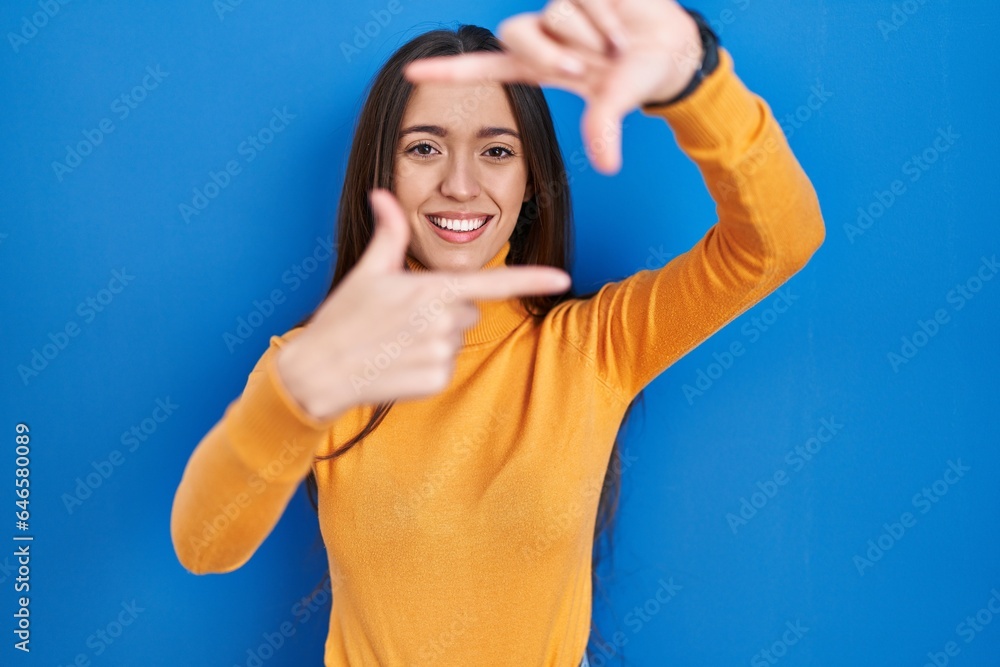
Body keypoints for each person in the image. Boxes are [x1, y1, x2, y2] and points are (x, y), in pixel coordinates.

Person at [170, 0, 826, 665]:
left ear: (530, 177)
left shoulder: (595, 347)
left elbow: (779, 243)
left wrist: (698, 79)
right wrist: (288, 401)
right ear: (382, 173)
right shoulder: (321, 365)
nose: (460, 184)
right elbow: (205, 546)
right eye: (424, 147)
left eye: (496, 150)